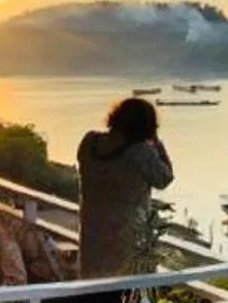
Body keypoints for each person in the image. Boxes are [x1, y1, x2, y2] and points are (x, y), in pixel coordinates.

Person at [74, 97, 175, 278]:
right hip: (127, 239)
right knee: (126, 296)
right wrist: (157, 144)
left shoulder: (90, 142)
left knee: (93, 290)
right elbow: (165, 178)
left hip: (93, 233)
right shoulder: (140, 153)